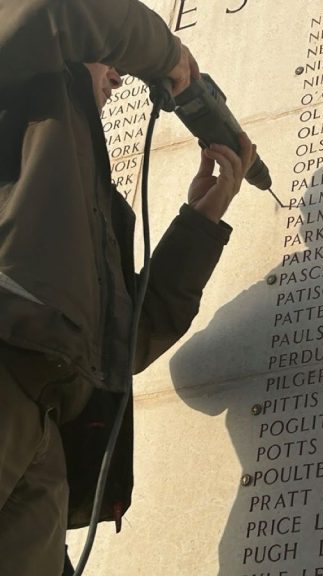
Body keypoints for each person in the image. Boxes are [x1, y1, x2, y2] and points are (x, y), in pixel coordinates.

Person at [0, 1, 255, 574]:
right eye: (106, 59)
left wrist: (201, 223)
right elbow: (53, 12)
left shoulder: (90, 199)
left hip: (49, 439)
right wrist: (170, 58)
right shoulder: (12, 69)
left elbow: (121, 345)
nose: (117, 73)